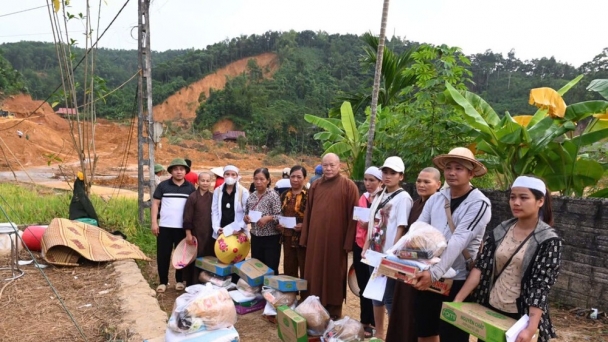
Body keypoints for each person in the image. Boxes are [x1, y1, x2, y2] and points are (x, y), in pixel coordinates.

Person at [454, 176, 562, 342]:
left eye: (523, 198)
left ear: (540, 201)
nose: (516, 202)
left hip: (519, 316)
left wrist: (531, 328)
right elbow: (481, 268)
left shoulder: (548, 240)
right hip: (491, 308)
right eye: (513, 197)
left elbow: (540, 287)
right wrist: (458, 301)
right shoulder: (501, 230)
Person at [413, 147, 491, 342]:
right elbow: (418, 230)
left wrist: (434, 273)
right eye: (449, 167)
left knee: (452, 336)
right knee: (425, 331)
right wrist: (400, 257)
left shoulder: (479, 204)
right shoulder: (437, 198)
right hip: (429, 274)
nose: (452, 172)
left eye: (459, 168)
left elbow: (459, 240)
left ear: (471, 173)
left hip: (457, 280)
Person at [386, 167, 442, 342]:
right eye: (419, 181)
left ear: (438, 185)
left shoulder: (438, 205)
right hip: (407, 261)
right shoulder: (416, 204)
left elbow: (433, 240)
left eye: (427, 182)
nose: (421, 185)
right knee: (402, 306)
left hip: (422, 266)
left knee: (415, 312)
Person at [300, 153, 359, 319]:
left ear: (339, 166)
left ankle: (334, 312)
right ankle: (313, 309)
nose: (329, 168)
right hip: (316, 240)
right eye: (325, 165)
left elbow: (354, 217)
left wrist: (348, 243)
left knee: (334, 274)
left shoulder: (349, 186)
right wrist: (305, 237)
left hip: (336, 242)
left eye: (332, 165)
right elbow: (308, 213)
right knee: (314, 273)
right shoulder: (315, 186)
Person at [361, 157, 413, 340]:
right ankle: (380, 333)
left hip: (388, 254)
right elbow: (373, 222)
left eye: (393, 173)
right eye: (386, 172)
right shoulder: (380, 193)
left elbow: (401, 226)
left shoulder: (404, 198)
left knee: (390, 297)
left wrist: (392, 255)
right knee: (376, 295)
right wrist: (367, 245)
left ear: (401, 176)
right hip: (374, 251)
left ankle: (395, 335)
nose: (388, 176)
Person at [151, 158, 196, 293]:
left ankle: (179, 280)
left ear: (185, 171)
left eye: (181, 169)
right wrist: (154, 222)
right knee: (163, 254)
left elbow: (193, 208)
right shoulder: (163, 186)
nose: (178, 172)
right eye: (175, 169)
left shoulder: (190, 188)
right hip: (164, 226)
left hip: (182, 228)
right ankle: (163, 281)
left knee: (182, 255)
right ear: (171, 171)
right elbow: (155, 204)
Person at [353, 166, 383, 338]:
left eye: (372, 180)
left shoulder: (384, 199)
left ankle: (375, 323)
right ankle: (364, 320)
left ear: (380, 181)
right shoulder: (363, 198)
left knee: (375, 287)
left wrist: (372, 224)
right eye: (366, 180)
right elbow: (358, 219)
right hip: (360, 244)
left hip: (376, 248)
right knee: (363, 284)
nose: (368, 183)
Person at [244, 168, 282, 274]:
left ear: (268, 180)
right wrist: (246, 218)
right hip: (256, 237)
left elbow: (279, 216)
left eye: (262, 179)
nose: (258, 182)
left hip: (271, 238)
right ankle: (258, 289)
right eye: (256, 179)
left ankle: (270, 290)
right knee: (257, 267)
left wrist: (268, 218)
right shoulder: (251, 197)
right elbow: (246, 213)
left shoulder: (273, 196)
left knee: (271, 267)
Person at [182, 172, 215, 286]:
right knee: (195, 257)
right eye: (202, 180)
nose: (205, 183)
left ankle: (207, 282)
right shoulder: (192, 197)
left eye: (207, 181)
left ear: (211, 182)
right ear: (197, 182)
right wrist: (188, 234)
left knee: (208, 257)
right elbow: (187, 217)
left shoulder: (213, 197)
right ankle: (193, 282)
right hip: (196, 232)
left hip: (209, 233)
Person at [278, 165, 308, 278]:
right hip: (287, 237)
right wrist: (279, 224)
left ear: (304, 178)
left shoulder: (309, 195)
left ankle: (306, 294)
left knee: (304, 266)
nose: (295, 180)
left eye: (299, 177)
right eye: (293, 176)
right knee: (289, 266)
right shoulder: (284, 195)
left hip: (303, 238)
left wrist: (304, 226)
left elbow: (314, 217)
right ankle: (291, 294)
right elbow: (280, 213)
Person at [211, 165, 250, 239]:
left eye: (233, 174)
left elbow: (246, 212)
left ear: (237, 176)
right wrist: (216, 228)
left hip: (237, 231)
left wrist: (240, 227)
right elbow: (215, 211)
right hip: (221, 230)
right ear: (223, 175)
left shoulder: (243, 192)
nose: (230, 177)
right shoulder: (218, 191)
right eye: (227, 174)